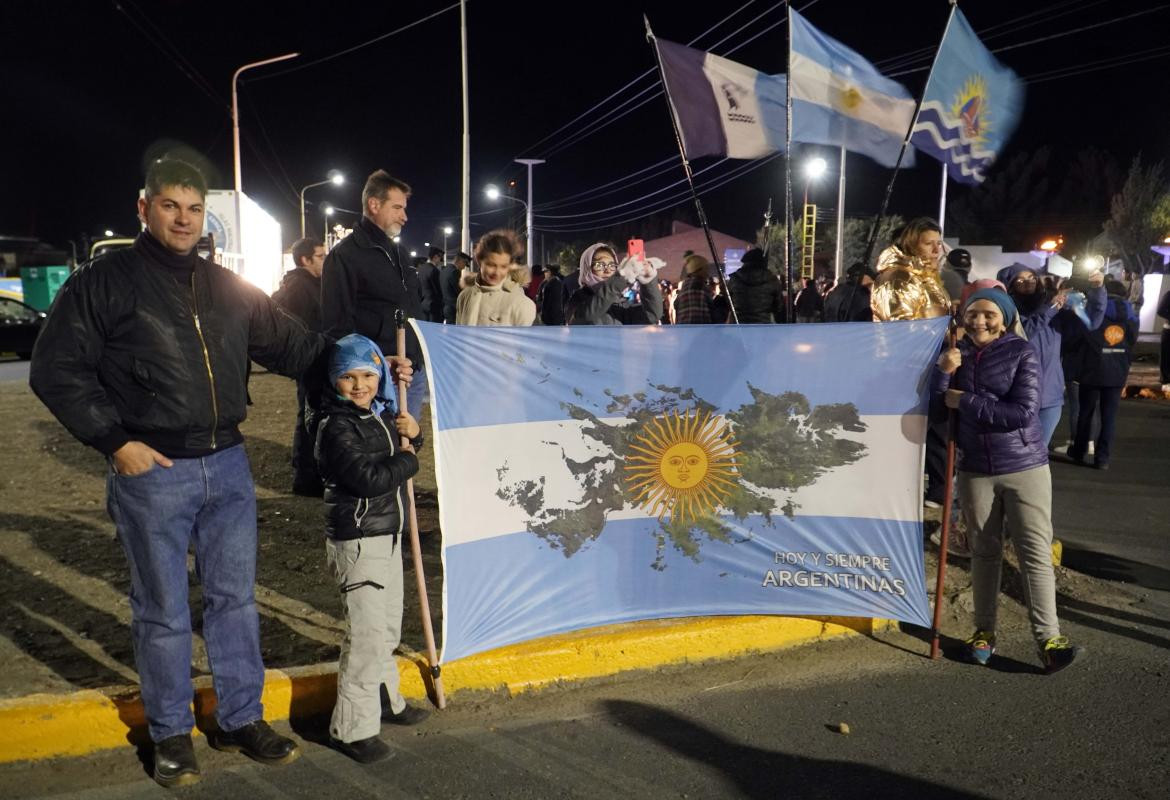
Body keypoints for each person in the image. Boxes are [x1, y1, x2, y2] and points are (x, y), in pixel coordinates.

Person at [28, 158, 330, 787]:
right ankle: (170, 732)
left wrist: (368, 357)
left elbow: (298, 348)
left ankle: (241, 716)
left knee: (234, 602)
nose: (184, 219)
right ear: (145, 208)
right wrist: (116, 442)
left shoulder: (227, 287)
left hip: (228, 464)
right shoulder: (103, 283)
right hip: (153, 472)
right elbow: (56, 368)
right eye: (171, 206)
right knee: (162, 610)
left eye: (194, 209)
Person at [932, 287, 1081, 674]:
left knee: (1034, 552)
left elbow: (1022, 413)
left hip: (1024, 466)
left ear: (1004, 318)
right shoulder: (953, 353)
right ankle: (983, 635)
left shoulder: (1021, 352)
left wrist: (964, 400)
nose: (979, 321)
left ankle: (1049, 639)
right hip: (975, 470)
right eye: (973, 314)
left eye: (988, 314)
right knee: (983, 553)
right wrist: (942, 374)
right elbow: (935, 409)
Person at [314, 333, 430, 763]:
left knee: (386, 631)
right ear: (334, 380)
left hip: (387, 535)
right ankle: (351, 728)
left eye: (368, 373)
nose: (360, 384)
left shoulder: (376, 415)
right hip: (360, 542)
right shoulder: (335, 425)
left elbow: (395, 451)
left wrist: (413, 437)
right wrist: (410, 460)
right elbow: (369, 478)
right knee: (364, 637)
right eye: (348, 376)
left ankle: (384, 699)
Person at [322, 170, 429, 421]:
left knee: (407, 446)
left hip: (412, 371)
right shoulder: (345, 256)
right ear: (373, 204)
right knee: (379, 448)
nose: (405, 217)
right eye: (397, 208)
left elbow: (411, 305)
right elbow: (338, 327)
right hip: (380, 378)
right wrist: (376, 363)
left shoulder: (400, 253)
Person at [998, 263, 1106, 449]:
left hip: (1049, 395)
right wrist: (1053, 305)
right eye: (1021, 280)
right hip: (1015, 397)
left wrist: (1097, 290)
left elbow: (1092, 322)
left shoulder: (1053, 309)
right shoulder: (1005, 310)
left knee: (1038, 454)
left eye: (1032, 278)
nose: (1029, 283)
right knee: (1014, 453)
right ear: (1009, 285)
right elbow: (1025, 331)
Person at [272, 237, 328, 496]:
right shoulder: (299, 288)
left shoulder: (308, 284)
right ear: (305, 260)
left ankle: (311, 473)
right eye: (320, 256)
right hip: (310, 361)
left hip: (314, 359)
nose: (325, 260)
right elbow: (300, 328)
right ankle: (306, 478)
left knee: (313, 415)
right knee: (309, 417)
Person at [1067, 280, 1139, 469]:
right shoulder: (1130, 312)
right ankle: (1103, 458)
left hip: (1092, 366)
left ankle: (1079, 451)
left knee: (1086, 412)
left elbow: (1080, 335)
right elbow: (1132, 339)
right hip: (1118, 367)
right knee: (1109, 416)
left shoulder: (1093, 309)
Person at [566, 242, 663, 325]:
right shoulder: (578, 298)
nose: (608, 270)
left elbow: (652, 316)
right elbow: (586, 317)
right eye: (599, 265)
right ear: (587, 268)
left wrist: (648, 281)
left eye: (612, 265)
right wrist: (621, 277)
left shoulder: (620, 301)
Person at [456, 229, 536, 326]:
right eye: (491, 265)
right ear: (479, 261)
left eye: (503, 266)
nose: (497, 272)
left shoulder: (523, 305)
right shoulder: (464, 296)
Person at [727, 247, 784, 323]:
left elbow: (728, 302)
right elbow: (778, 307)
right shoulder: (772, 280)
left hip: (739, 324)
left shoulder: (735, 279)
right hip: (763, 325)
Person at [673, 254, 712, 324]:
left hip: (685, 331)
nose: (708, 273)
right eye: (706, 268)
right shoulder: (699, 287)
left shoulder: (685, 287)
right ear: (700, 270)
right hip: (700, 332)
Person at [439, 251, 469, 325]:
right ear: (460, 261)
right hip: (454, 308)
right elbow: (459, 290)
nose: (464, 266)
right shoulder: (454, 272)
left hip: (446, 306)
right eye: (465, 263)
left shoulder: (444, 270)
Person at [415, 247, 444, 322]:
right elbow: (438, 290)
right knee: (435, 330)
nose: (440, 262)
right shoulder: (434, 271)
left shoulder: (421, 269)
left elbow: (418, 288)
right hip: (434, 306)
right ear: (435, 257)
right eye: (440, 259)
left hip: (423, 304)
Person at [1159, 287, 1170, 393]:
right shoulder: (1168, 294)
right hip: (1169, 329)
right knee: (1166, 356)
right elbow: (1160, 310)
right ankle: (1165, 381)